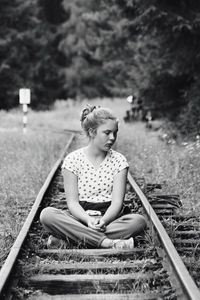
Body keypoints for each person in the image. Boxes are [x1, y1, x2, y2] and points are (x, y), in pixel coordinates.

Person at [40, 105, 147, 249]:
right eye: (107, 133)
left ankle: (73, 240)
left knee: (138, 221)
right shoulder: (72, 160)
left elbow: (117, 203)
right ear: (92, 132)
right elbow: (72, 203)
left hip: (109, 221)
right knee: (47, 215)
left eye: (115, 133)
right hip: (79, 219)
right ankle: (107, 243)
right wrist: (88, 220)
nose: (112, 138)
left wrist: (103, 221)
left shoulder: (119, 161)